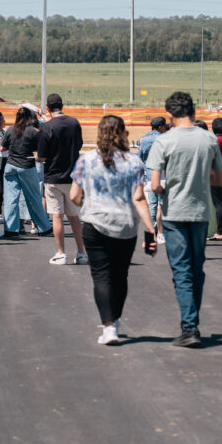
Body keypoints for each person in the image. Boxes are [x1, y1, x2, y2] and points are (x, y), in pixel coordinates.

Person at [146, 92, 222, 348]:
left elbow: (155, 185)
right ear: (193, 110)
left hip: (174, 213)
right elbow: (221, 180)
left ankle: (189, 326)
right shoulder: (209, 138)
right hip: (201, 211)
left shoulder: (164, 141)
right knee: (196, 268)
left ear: (169, 114)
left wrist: (167, 190)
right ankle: (193, 320)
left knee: (181, 270)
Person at [71, 115, 157, 345]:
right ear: (124, 134)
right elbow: (139, 198)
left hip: (94, 223)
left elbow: (74, 196)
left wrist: (88, 205)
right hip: (125, 226)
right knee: (120, 275)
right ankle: (116, 317)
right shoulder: (134, 162)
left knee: (101, 275)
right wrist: (150, 229)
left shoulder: (86, 160)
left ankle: (108, 326)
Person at [37, 93, 87, 265]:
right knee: (74, 217)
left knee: (57, 217)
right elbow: (79, 144)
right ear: (62, 105)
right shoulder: (74, 123)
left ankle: (61, 253)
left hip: (53, 176)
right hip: (73, 177)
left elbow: (42, 157)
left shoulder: (47, 127)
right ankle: (81, 252)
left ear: (48, 109)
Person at [1, 107, 52, 237]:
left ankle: (11, 229)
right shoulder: (31, 131)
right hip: (27, 166)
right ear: (29, 118)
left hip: (11, 165)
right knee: (34, 198)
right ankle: (43, 227)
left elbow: (3, 147)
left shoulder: (10, 130)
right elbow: (41, 145)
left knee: (10, 199)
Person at [137, 116, 167, 244]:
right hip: (162, 175)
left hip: (148, 174)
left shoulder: (144, 139)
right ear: (160, 126)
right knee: (162, 205)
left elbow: (141, 156)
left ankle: (152, 230)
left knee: (152, 204)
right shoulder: (164, 139)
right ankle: (161, 232)